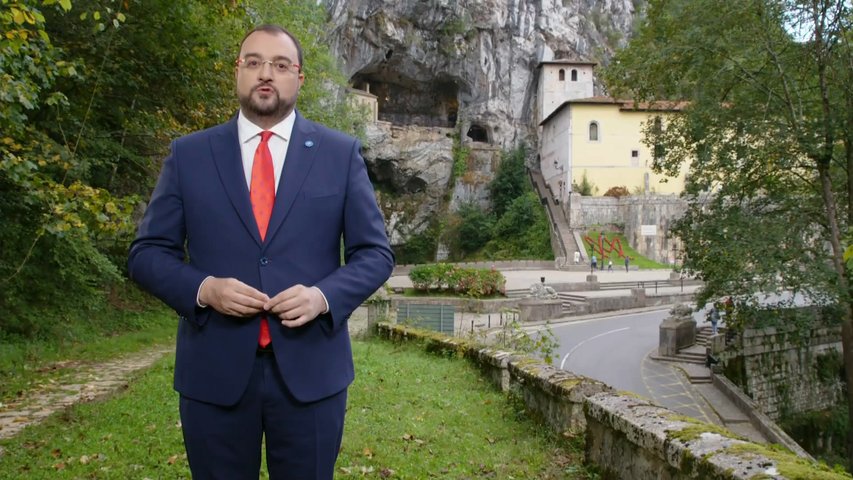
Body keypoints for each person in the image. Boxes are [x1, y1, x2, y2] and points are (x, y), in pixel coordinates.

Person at [127, 24, 394, 479]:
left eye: (280, 64)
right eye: (253, 62)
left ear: (299, 78)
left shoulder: (339, 153)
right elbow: (146, 253)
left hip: (312, 377)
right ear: (238, 72)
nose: (265, 73)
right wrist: (204, 289)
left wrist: (322, 297)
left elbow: (375, 254)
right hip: (214, 376)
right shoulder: (189, 155)